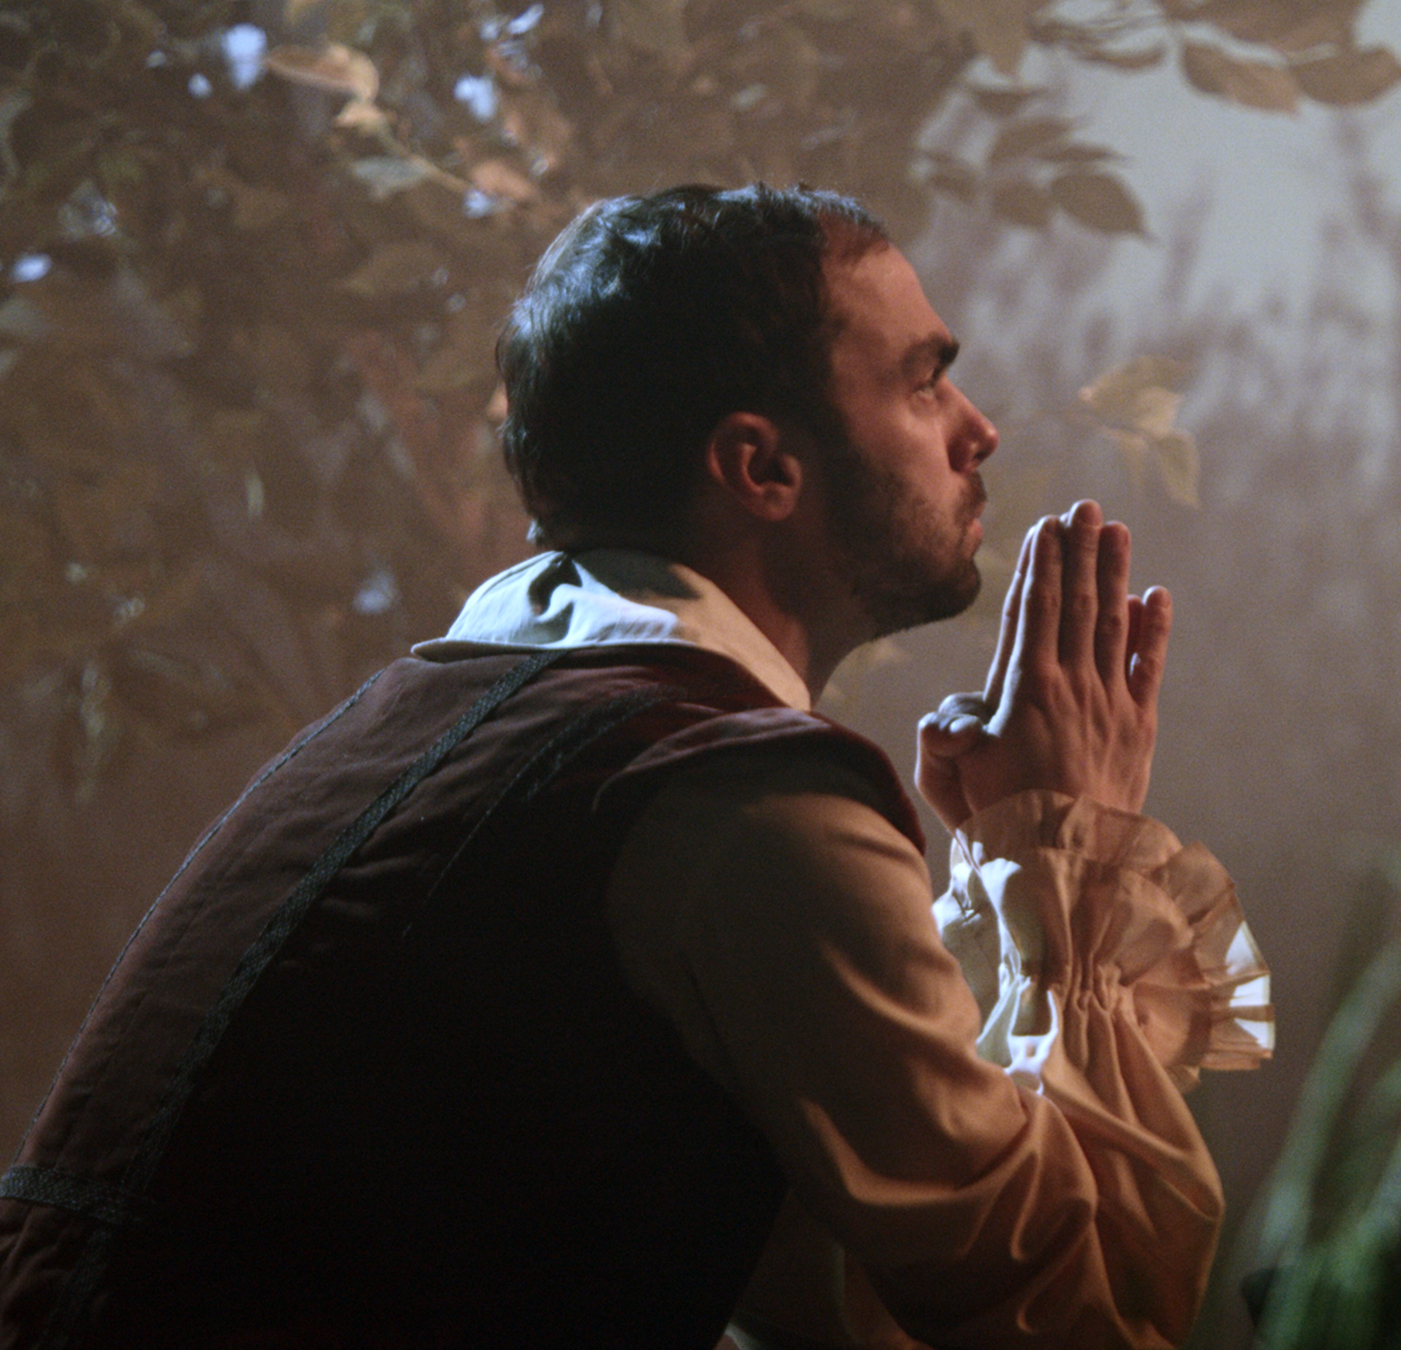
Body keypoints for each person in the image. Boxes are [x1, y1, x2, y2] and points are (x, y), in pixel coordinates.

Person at [0, 184, 1270, 1350]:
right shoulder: (737, 804)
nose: (978, 429)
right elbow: (1077, 1318)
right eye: (924, 382)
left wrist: (1018, 878)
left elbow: (852, 1295)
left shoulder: (451, 713)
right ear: (761, 468)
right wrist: (1071, 854)